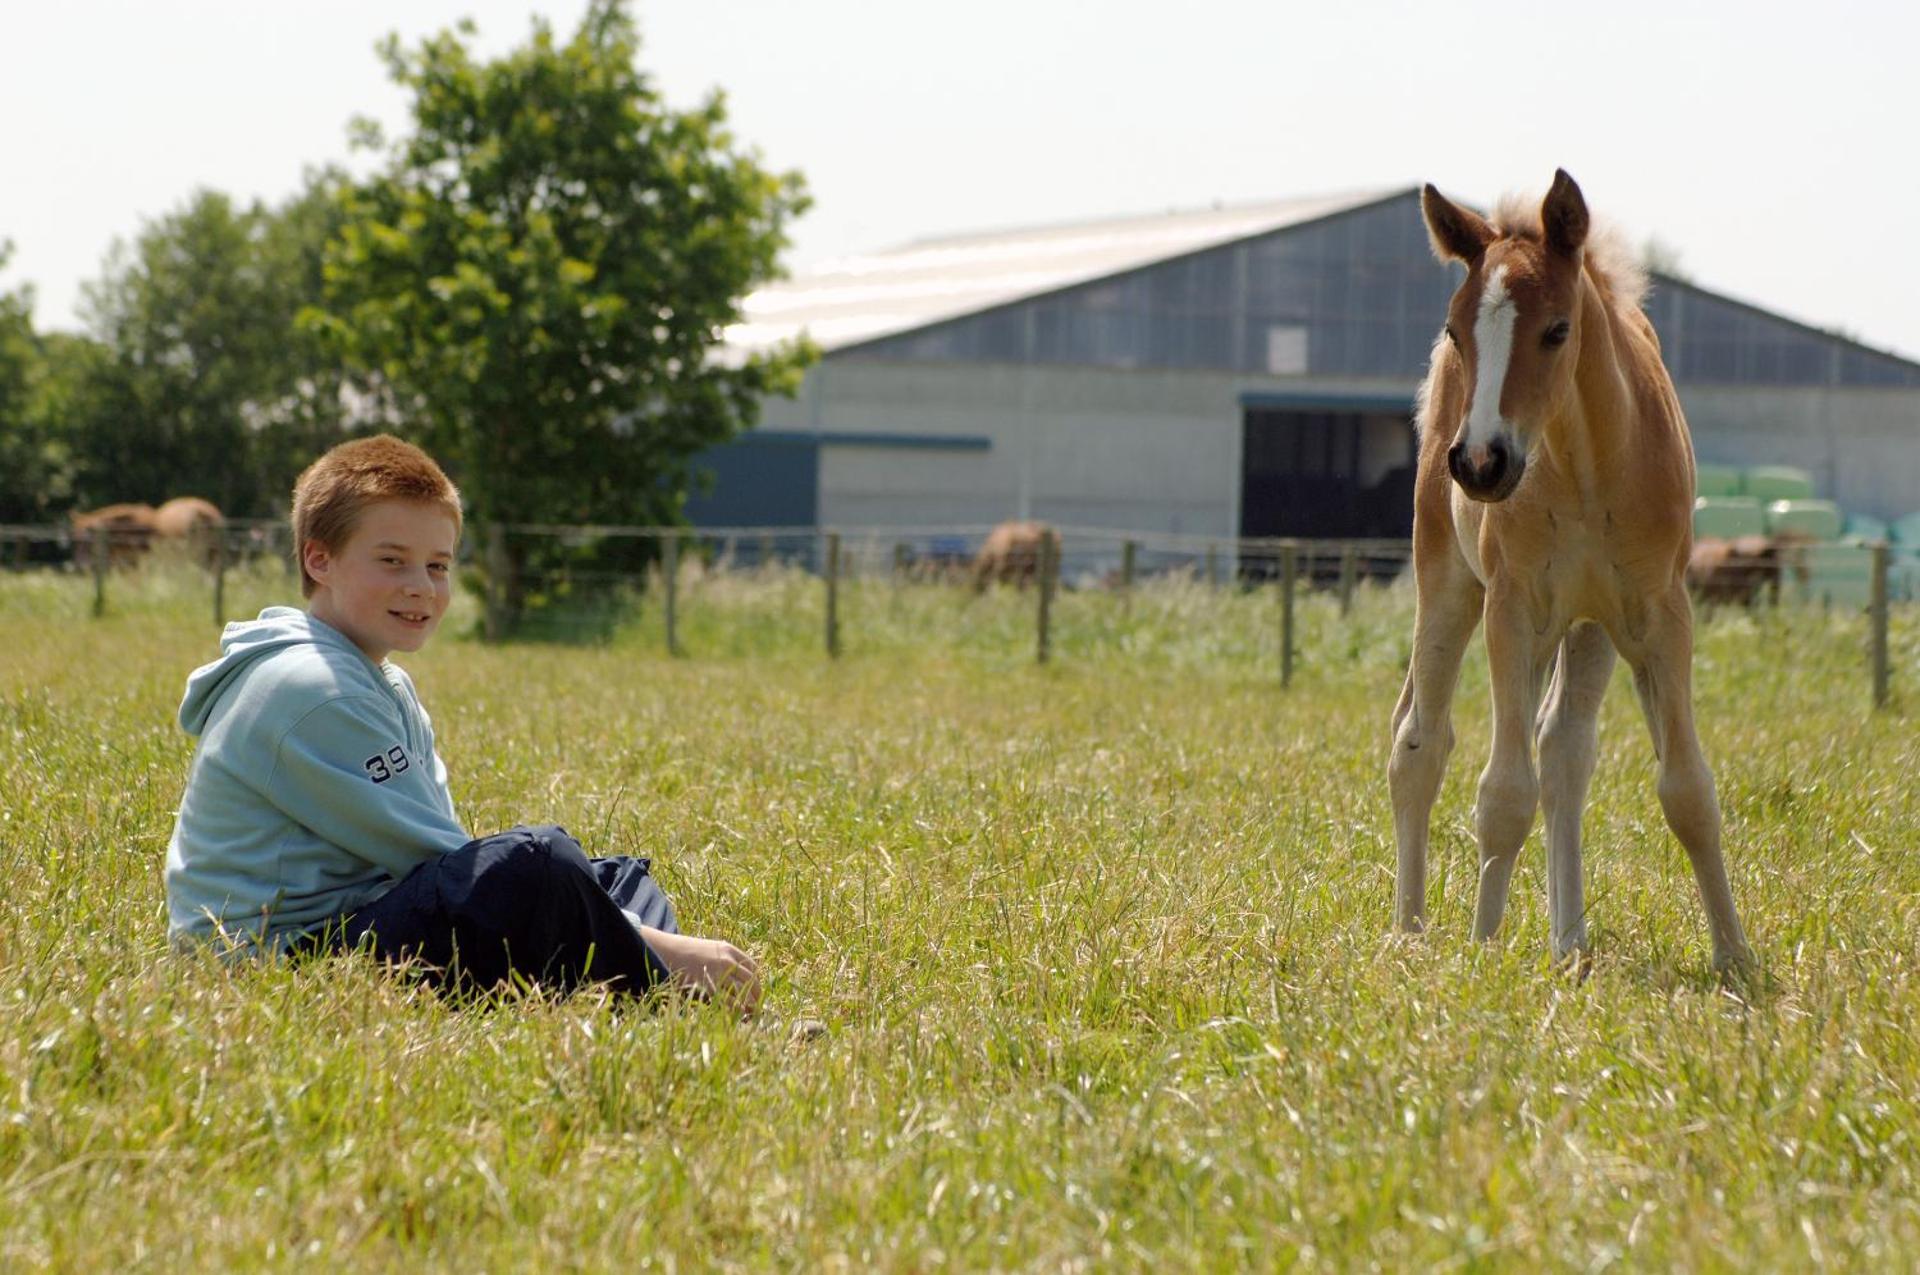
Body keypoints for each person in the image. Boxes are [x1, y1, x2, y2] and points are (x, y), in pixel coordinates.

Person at [164, 434, 760, 1011]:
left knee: (608, 877)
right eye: (392, 561)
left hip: (359, 920)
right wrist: (653, 941)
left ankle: (651, 988)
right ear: (320, 559)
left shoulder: (381, 680)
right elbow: (436, 858)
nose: (420, 587)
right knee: (539, 865)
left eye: (438, 566)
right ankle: (666, 984)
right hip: (277, 962)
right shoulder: (312, 686)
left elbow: (446, 863)